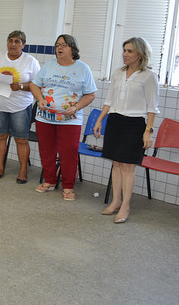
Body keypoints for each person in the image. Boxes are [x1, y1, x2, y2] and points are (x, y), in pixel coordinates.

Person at [94, 38, 159, 223]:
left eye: (130, 51)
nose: (125, 54)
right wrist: (99, 120)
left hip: (135, 124)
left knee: (128, 166)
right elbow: (109, 100)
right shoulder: (118, 73)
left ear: (140, 54)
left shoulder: (148, 76)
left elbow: (152, 108)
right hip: (115, 121)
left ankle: (126, 206)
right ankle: (115, 201)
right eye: (124, 50)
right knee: (116, 164)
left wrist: (148, 131)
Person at [29, 34, 96, 201]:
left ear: (73, 48)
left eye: (64, 45)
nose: (60, 47)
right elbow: (34, 84)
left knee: (69, 152)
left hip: (70, 120)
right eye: (58, 44)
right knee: (47, 150)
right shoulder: (49, 65)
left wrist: (75, 107)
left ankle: (68, 186)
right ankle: (50, 180)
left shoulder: (82, 68)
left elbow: (90, 94)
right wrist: (40, 99)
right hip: (45, 117)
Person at [0, 31, 40, 183]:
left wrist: (21, 86)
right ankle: (0, 168)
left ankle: (23, 171)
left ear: (23, 45)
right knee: (0, 136)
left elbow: (37, 85)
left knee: (21, 139)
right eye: (10, 41)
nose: (13, 44)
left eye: (17, 41)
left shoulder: (30, 61)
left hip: (20, 106)